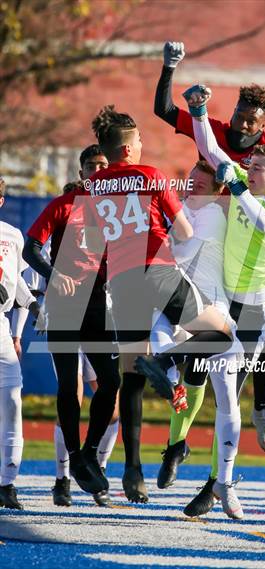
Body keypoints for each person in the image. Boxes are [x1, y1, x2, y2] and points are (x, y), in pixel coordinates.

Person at [84, 105, 236, 503]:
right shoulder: (150, 176)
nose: (142, 144)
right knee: (219, 332)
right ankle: (167, 362)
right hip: (158, 271)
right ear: (129, 148)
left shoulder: (95, 184)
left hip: (122, 280)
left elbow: (100, 235)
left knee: (131, 378)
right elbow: (183, 232)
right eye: (139, 140)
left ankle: (132, 471)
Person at [163, 85, 265, 517]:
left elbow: (262, 219)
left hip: (254, 309)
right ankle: (220, 482)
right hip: (223, 298)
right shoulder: (242, 180)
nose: (248, 169)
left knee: (229, 396)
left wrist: (237, 185)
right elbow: (209, 147)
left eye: (257, 167)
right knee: (220, 390)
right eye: (250, 165)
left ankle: (221, 481)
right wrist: (199, 110)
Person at [23, 150, 122, 498]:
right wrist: (54, 274)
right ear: (81, 171)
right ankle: (69, 467)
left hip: (97, 304)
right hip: (64, 305)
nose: (98, 172)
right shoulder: (64, 204)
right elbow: (31, 248)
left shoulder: (117, 209)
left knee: (111, 381)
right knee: (69, 387)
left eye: (104, 167)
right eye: (92, 167)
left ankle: (90, 455)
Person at [151, 160, 245, 518]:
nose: (192, 188)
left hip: (209, 308)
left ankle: (220, 481)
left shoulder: (211, 216)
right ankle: (176, 447)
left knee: (222, 394)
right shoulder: (180, 205)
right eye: (190, 180)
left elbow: (179, 252)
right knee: (179, 376)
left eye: (201, 185)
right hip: (176, 303)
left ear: (217, 191)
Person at [155, 41, 265, 197]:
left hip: (245, 216)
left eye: (251, 121)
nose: (242, 124)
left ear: (263, 125)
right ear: (234, 111)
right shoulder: (211, 130)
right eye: (239, 117)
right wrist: (169, 66)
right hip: (210, 210)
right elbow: (164, 110)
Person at [0, 177, 41, 509]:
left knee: (13, 400)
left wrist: (33, 303)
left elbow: (16, 288)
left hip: (0, 325)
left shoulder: (12, 236)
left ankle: (6, 484)